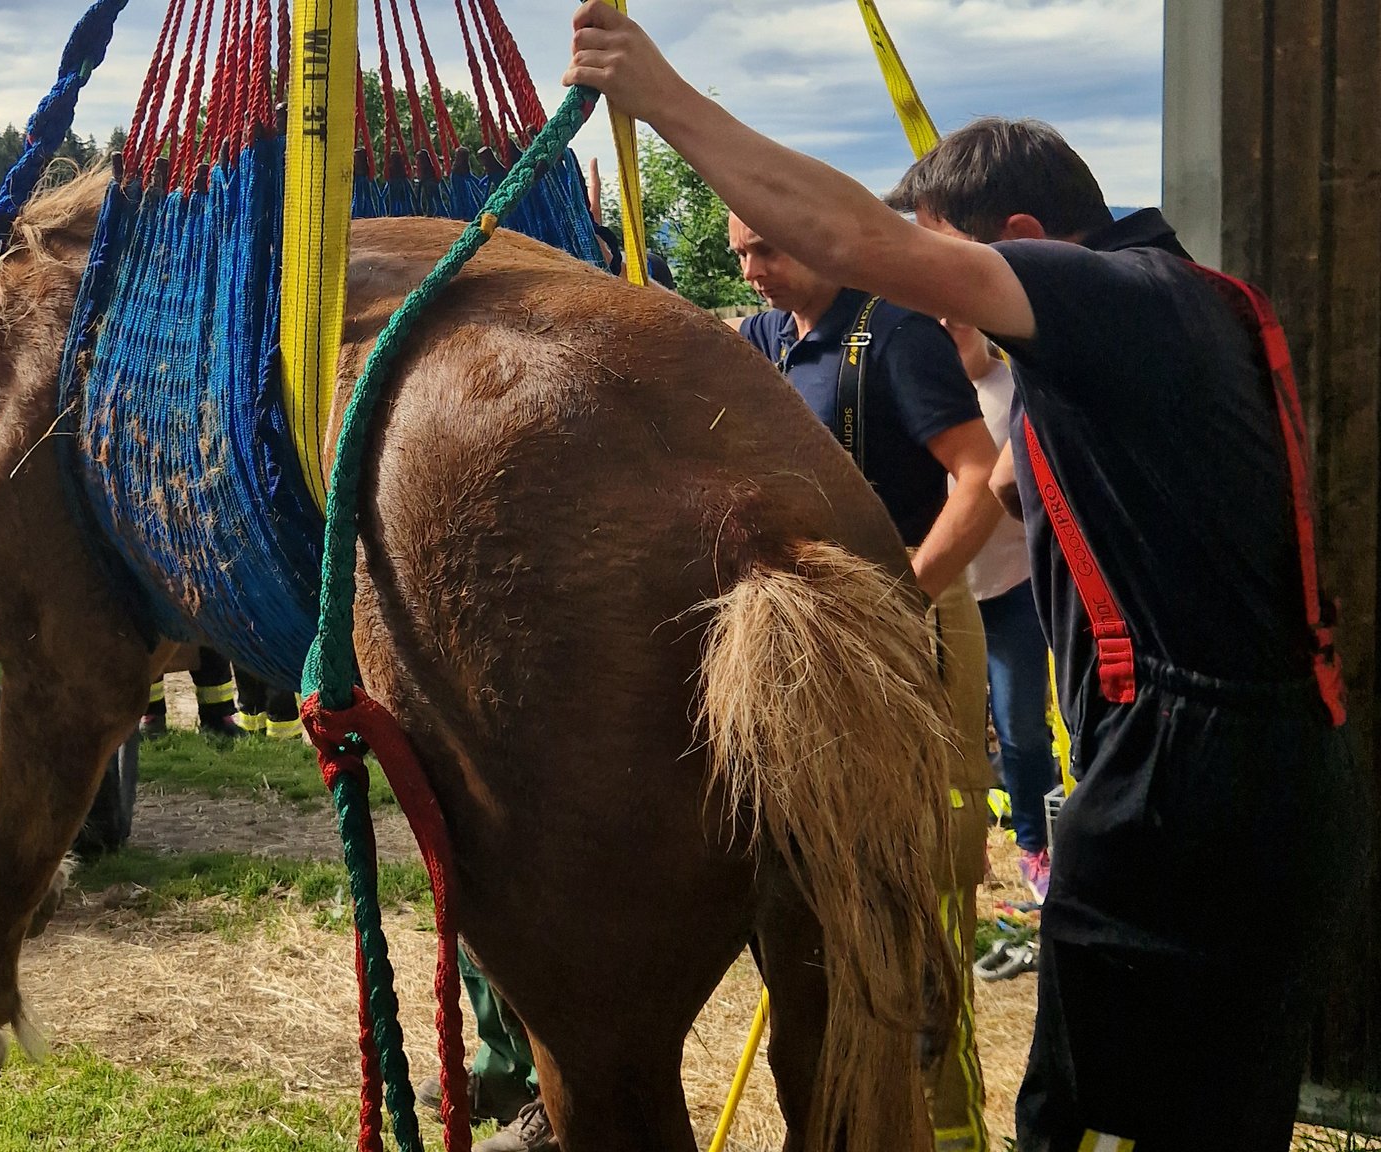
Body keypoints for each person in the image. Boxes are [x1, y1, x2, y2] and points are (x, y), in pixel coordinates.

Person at [565, 8, 1369, 1147]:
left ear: (1031, 240)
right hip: (1266, 775)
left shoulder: (1117, 299)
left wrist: (659, 97)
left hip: (1182, 796)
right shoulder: (1184, 309)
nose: (939, 314)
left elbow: (849, 242)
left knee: (1086, 1125)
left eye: (953, 274)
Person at [730, 210, 1001, 1152]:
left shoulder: (893, 332)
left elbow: (978, 475)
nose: (751, 269)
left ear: (813, 239)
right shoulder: (760, 342)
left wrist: (903, 595)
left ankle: (947, 1128)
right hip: (810, 644)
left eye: (765, 249)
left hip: (911, 627)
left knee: (921, 882)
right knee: (817, 888)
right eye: (739, 255)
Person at [945, 319, 1057, 901]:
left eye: (953, 312)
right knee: (949, 737)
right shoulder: (919, 383)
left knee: (1021, 732)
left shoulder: (1012, 390)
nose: (943, 323)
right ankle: (966, 846)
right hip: (946, 595)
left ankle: (1036, 848)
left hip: (1011, 590)